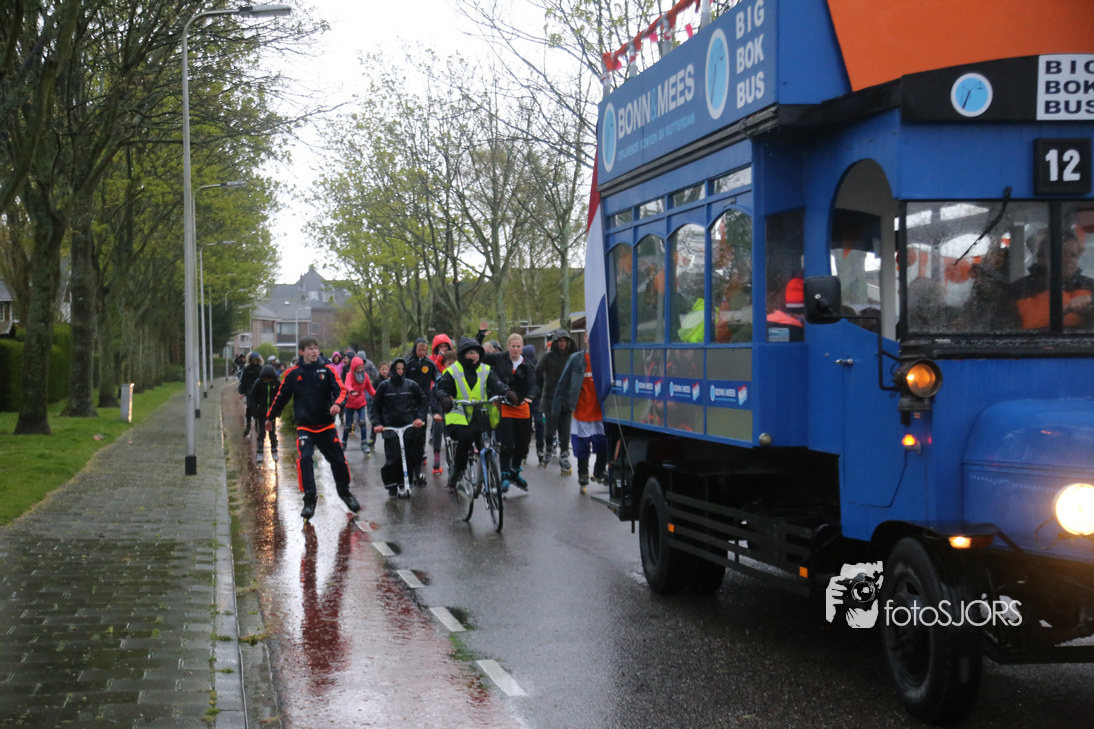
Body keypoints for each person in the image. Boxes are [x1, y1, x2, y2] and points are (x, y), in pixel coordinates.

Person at [266, 336, 357, 519]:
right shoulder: (293, 374)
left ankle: (344, 491)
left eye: (316, 348)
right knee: (305, 459)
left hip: (326, 425)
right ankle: (309, 498)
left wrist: (338, 404)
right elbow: (281, 397)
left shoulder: (328, 370)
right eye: (310, 348)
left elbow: (341, 391)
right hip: (305, 427)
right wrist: (270, 417)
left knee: (339, 460)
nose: (314, 351)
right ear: (302, 352)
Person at [436, 337, 516, 491]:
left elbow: (497, 384)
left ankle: (490, 475)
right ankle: (457, 471)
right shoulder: (453, 371)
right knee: (466, 437)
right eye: (470, 353)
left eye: (477, 353)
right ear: (462, 354)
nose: (474, 356)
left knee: (486, 443)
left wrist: (507, 392)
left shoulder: (485, 370)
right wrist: (445, 398)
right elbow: (441, 389)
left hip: (479, 414)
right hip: (458, 414)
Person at [1011, 228, 1094, 330]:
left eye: (1073, 255)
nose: (1069, 260)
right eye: (1061, 254)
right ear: (1042, 257)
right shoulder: (1019, 291)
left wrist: (1089, 310)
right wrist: (1059, 314)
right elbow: (1007, 331)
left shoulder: (1089, 287)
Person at [369, 357, 428, 496]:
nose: (400, 371)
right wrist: (377, 423)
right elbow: (375, 406)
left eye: (402, 369)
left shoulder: (412, 385)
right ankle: (392, 484)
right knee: (394, 457)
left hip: (409, 426)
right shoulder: (384, 386)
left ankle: (406, 482)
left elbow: (422, 402)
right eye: (397, 369)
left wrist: (419, 418)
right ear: (393, 370)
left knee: (409, 456)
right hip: (391, 427)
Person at [553, 348, 607, 492]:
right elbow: (563, 382)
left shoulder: (605, 355)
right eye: (589, 337)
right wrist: (556, 406)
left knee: (603, 441)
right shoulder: (576, 359)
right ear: (585, 338)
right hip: (581, 408)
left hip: (601, 410)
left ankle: (599, 471)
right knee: (582, 443)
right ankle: (583, 473)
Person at [492, 333, 539, 492]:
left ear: (522, 348)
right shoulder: (500, 359)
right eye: (513, 346)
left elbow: (533, 385)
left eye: (518, 346)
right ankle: (504, 475)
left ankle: (515, 471)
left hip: (522, 407)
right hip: (506, 406)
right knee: (507, 445)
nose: (516, 349)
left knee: (523, 445)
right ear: (508, 347)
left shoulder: (528, 365)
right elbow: (480, 358)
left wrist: (530, 396)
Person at [536, 328, 576, 473]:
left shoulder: (573, 356)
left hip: (566, 398)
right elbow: (537, 372)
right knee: (550, 429)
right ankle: (548, 447)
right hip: (551, 397)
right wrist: (543, 385)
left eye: (565, 341)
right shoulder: (548, 356)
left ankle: (564, 454)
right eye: (559, 341)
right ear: (555, 342)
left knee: (565, 430)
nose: (562, 344)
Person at [405, 337, 439, 470]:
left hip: (424, 399)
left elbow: (437, 378)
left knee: (422, 425)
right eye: (419, 350)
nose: (422, 352)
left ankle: (421, 449)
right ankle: (409, 449)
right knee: (410, 425)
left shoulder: (430, 364)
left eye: (424, 350)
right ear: (415, 349)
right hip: (410, 399)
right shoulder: (408, 363)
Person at [342, 355, 376, 455]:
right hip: (350, 403)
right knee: (348, 426)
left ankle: (364, 443)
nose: (359, 370)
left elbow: (370, 388)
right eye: (357, 368)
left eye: (361, 367)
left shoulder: (365, 376)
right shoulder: (349, 375)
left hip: (361, 403)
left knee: (362, 422)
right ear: (353, 368)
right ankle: (343, 443)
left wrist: (377, 396)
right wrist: (351, 390)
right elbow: (347, 385)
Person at [250, 364, 281, 464]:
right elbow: (253, 397)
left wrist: (278, 411)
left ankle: (274, 449)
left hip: (272, 412)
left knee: (272, 431)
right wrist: (254, 411)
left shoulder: (276, 384)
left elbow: (280, 397)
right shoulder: (258, 384)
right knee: (262, 432)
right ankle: (260, 450)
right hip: (261, 412)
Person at [522, 343, 545, 462]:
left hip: (537, 399)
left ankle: (540, 448)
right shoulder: (521, 367)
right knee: (525, 426)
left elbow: (544, 383)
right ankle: (524, 450)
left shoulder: (538, 367)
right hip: (525, 399)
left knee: (539, 423)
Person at [238, 351, 264, 437]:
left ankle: (257, 424)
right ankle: (248, 426)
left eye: (256, 360)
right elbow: (243, 381)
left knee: (258, 409)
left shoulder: (261, 369)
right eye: (253, 360)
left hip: (259, 392)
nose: (255, 361)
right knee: (249, 408)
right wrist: (241, 392)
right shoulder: (247, 369)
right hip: (249, 391)